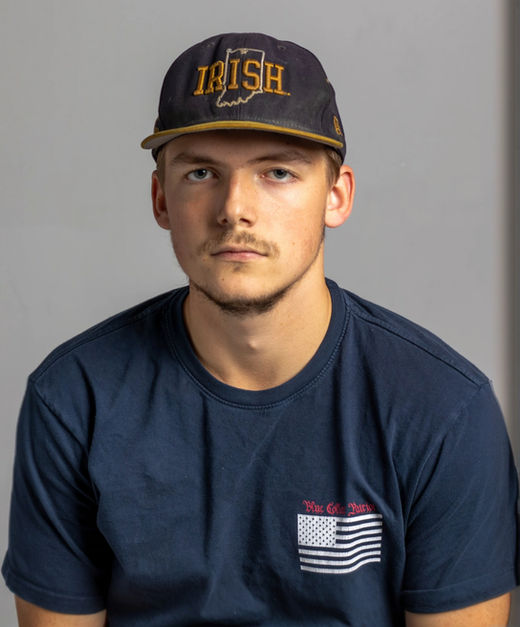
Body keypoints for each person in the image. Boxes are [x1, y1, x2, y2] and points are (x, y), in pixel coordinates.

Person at [2, 32, 518, 627]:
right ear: (161, 199)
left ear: (336, 196)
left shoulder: (443, 408)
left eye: (277, 172)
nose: (234, 209)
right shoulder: (74, 398)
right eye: (201, 173)